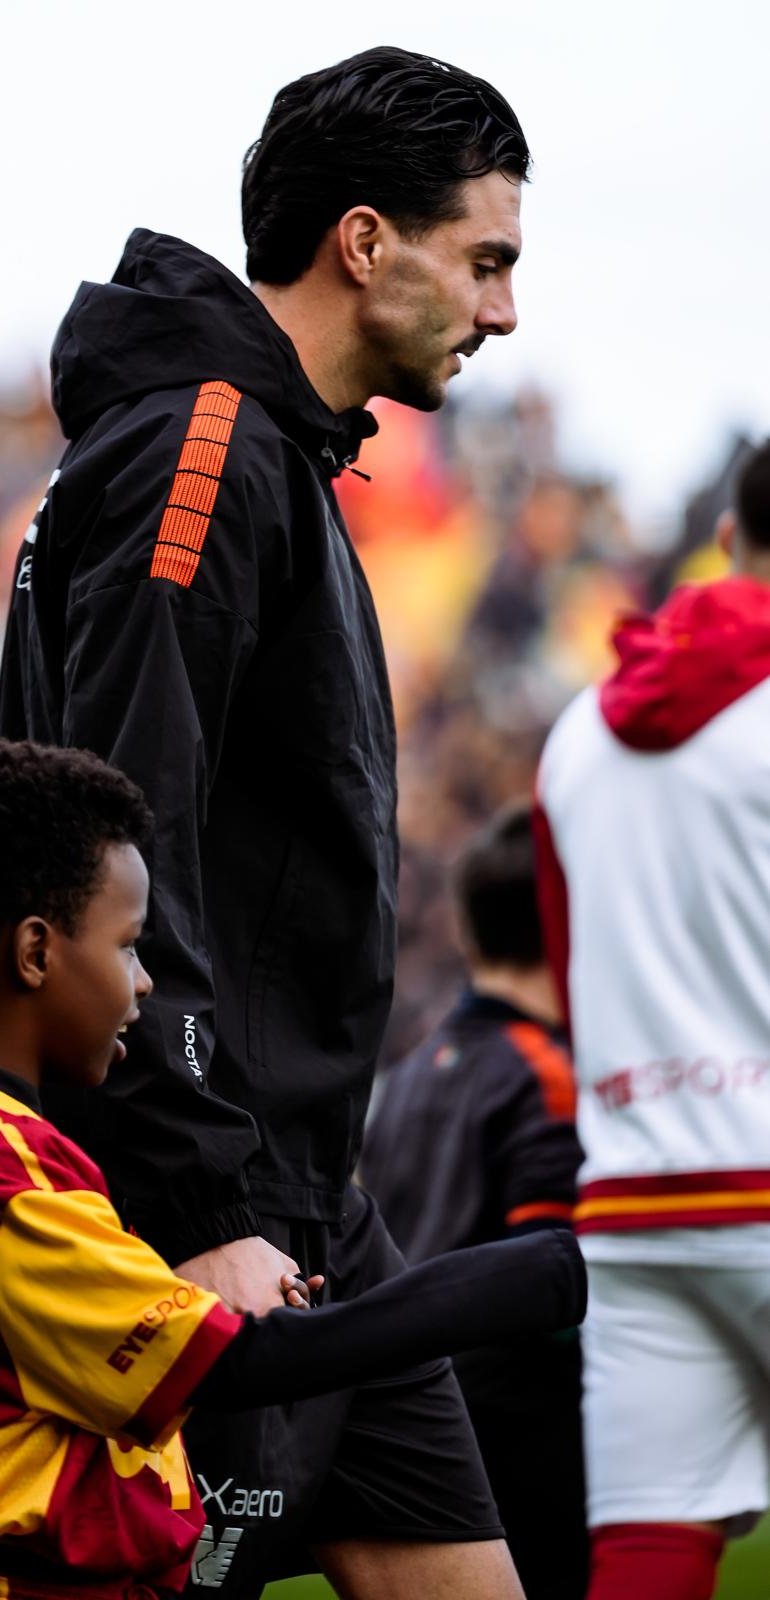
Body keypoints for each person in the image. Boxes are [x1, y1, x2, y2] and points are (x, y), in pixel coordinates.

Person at [0, 45, 528, 1597]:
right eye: (484, 259)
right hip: (197, 1210)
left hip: (307, 1201)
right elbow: (113, 841)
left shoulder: (261, 453)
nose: (503, 311)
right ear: (365, 242)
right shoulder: (204, 451)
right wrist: (208, 1201)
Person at [0, 736, 584, 1600]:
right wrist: (538, 1275)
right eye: (128, 946)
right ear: (37, 953)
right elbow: (237, 1367)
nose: (148, 983)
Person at [534, 439, 770, 1600]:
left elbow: (568, 976)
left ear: (729, 542)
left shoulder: (577, 731)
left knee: (642, 1563)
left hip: (634, 1203)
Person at [360, 803, 587, 1600]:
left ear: (464, 930)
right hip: (530, 1436)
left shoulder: (416, 1071)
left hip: (422, 1422)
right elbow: (555, 1293)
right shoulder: (547, 1070)